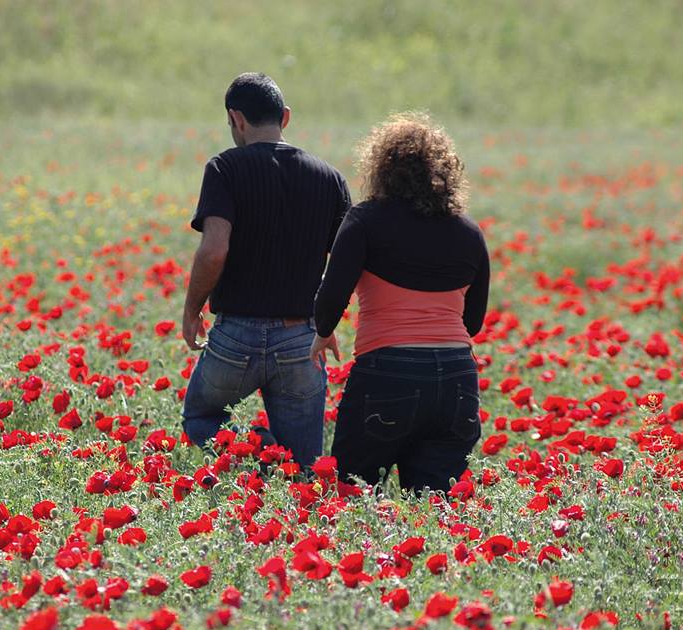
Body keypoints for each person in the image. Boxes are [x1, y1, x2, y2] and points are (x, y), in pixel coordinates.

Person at [311, 113, 489, 493]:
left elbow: (331, 296)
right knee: (435, 510)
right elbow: (473, 322)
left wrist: (323, 331)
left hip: (388, 372)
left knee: (352, 495)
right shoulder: (469, 233)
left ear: (380, 168)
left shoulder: (365, 221)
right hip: (457, 379)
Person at [181, 72, 351, 470]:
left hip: (236, 334)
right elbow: (344, 265)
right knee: (305, 468)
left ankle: (261, 455)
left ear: (236, 119)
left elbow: (214, 251)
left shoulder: (225, 168)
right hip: (301, 339)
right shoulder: (330, 179)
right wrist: (324, 326)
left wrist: (192, 310)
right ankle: (282, 468)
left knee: (202, 418)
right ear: (285, 117)